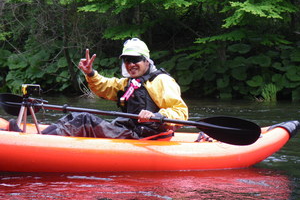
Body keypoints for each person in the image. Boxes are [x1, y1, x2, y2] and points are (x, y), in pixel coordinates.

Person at [10, 38, 188, 139]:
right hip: (130, 130)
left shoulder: (162, 81)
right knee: (77, 118)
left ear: (146, 61)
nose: (130, 64)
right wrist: (90, 73)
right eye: (127, 60)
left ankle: (38, 141)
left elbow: (180, 113)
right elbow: (106, 86)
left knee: (84, 119)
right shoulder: (129, 83)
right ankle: (38, 138)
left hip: (146, 136)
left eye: (135, 60)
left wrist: (157, 116)